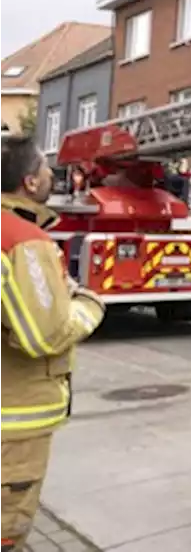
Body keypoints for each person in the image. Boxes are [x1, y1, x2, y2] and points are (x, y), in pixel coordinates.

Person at [0, 137, 106, 549]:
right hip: (13, 420)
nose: (52, 177)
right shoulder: (22, 240)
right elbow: (45, 335)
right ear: (29, 181)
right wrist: (88, 304)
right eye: (46, 169)